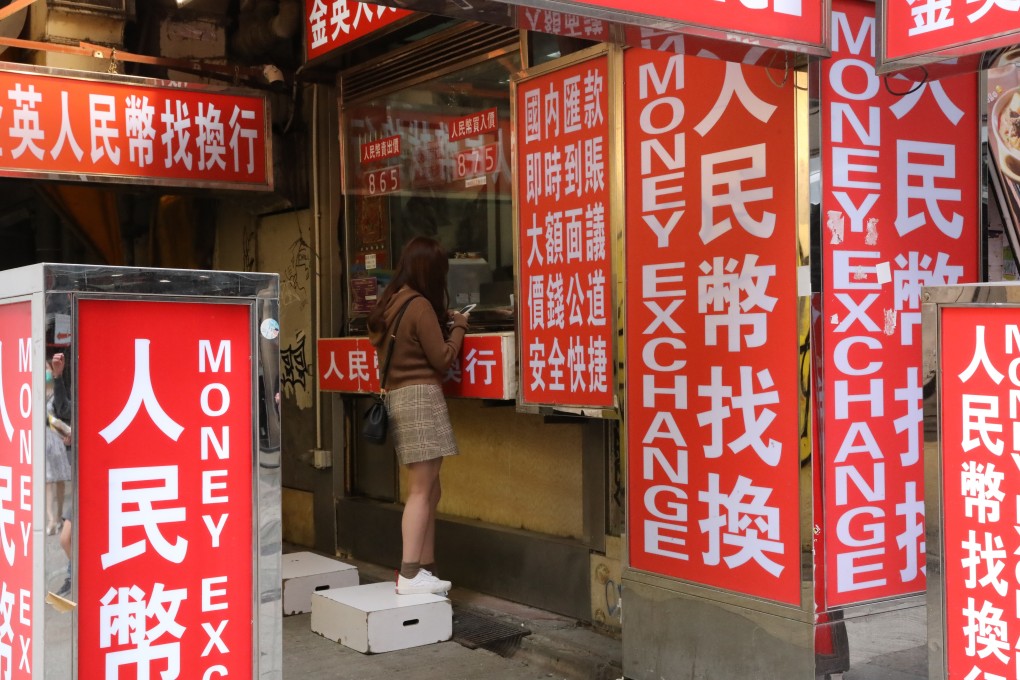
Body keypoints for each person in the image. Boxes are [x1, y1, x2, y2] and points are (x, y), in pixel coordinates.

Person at [368, 237, 468, 596]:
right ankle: (410, 573)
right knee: (422, 490)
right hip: (421, 399)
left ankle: (426, 568)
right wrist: (459, 326)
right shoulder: (420, 305)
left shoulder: (391, 302)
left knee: (430, 488)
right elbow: (442, 359)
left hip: (400, 398)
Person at [44, 357, 72, 536]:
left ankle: (59, 514)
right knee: (48, 480)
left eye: (47, 368)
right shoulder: (36, 392)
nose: (46, 371)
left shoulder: (56, 391)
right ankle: (51, 519)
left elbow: (64, 410)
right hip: (44, 437)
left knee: (59, 479)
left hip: (58, 437)